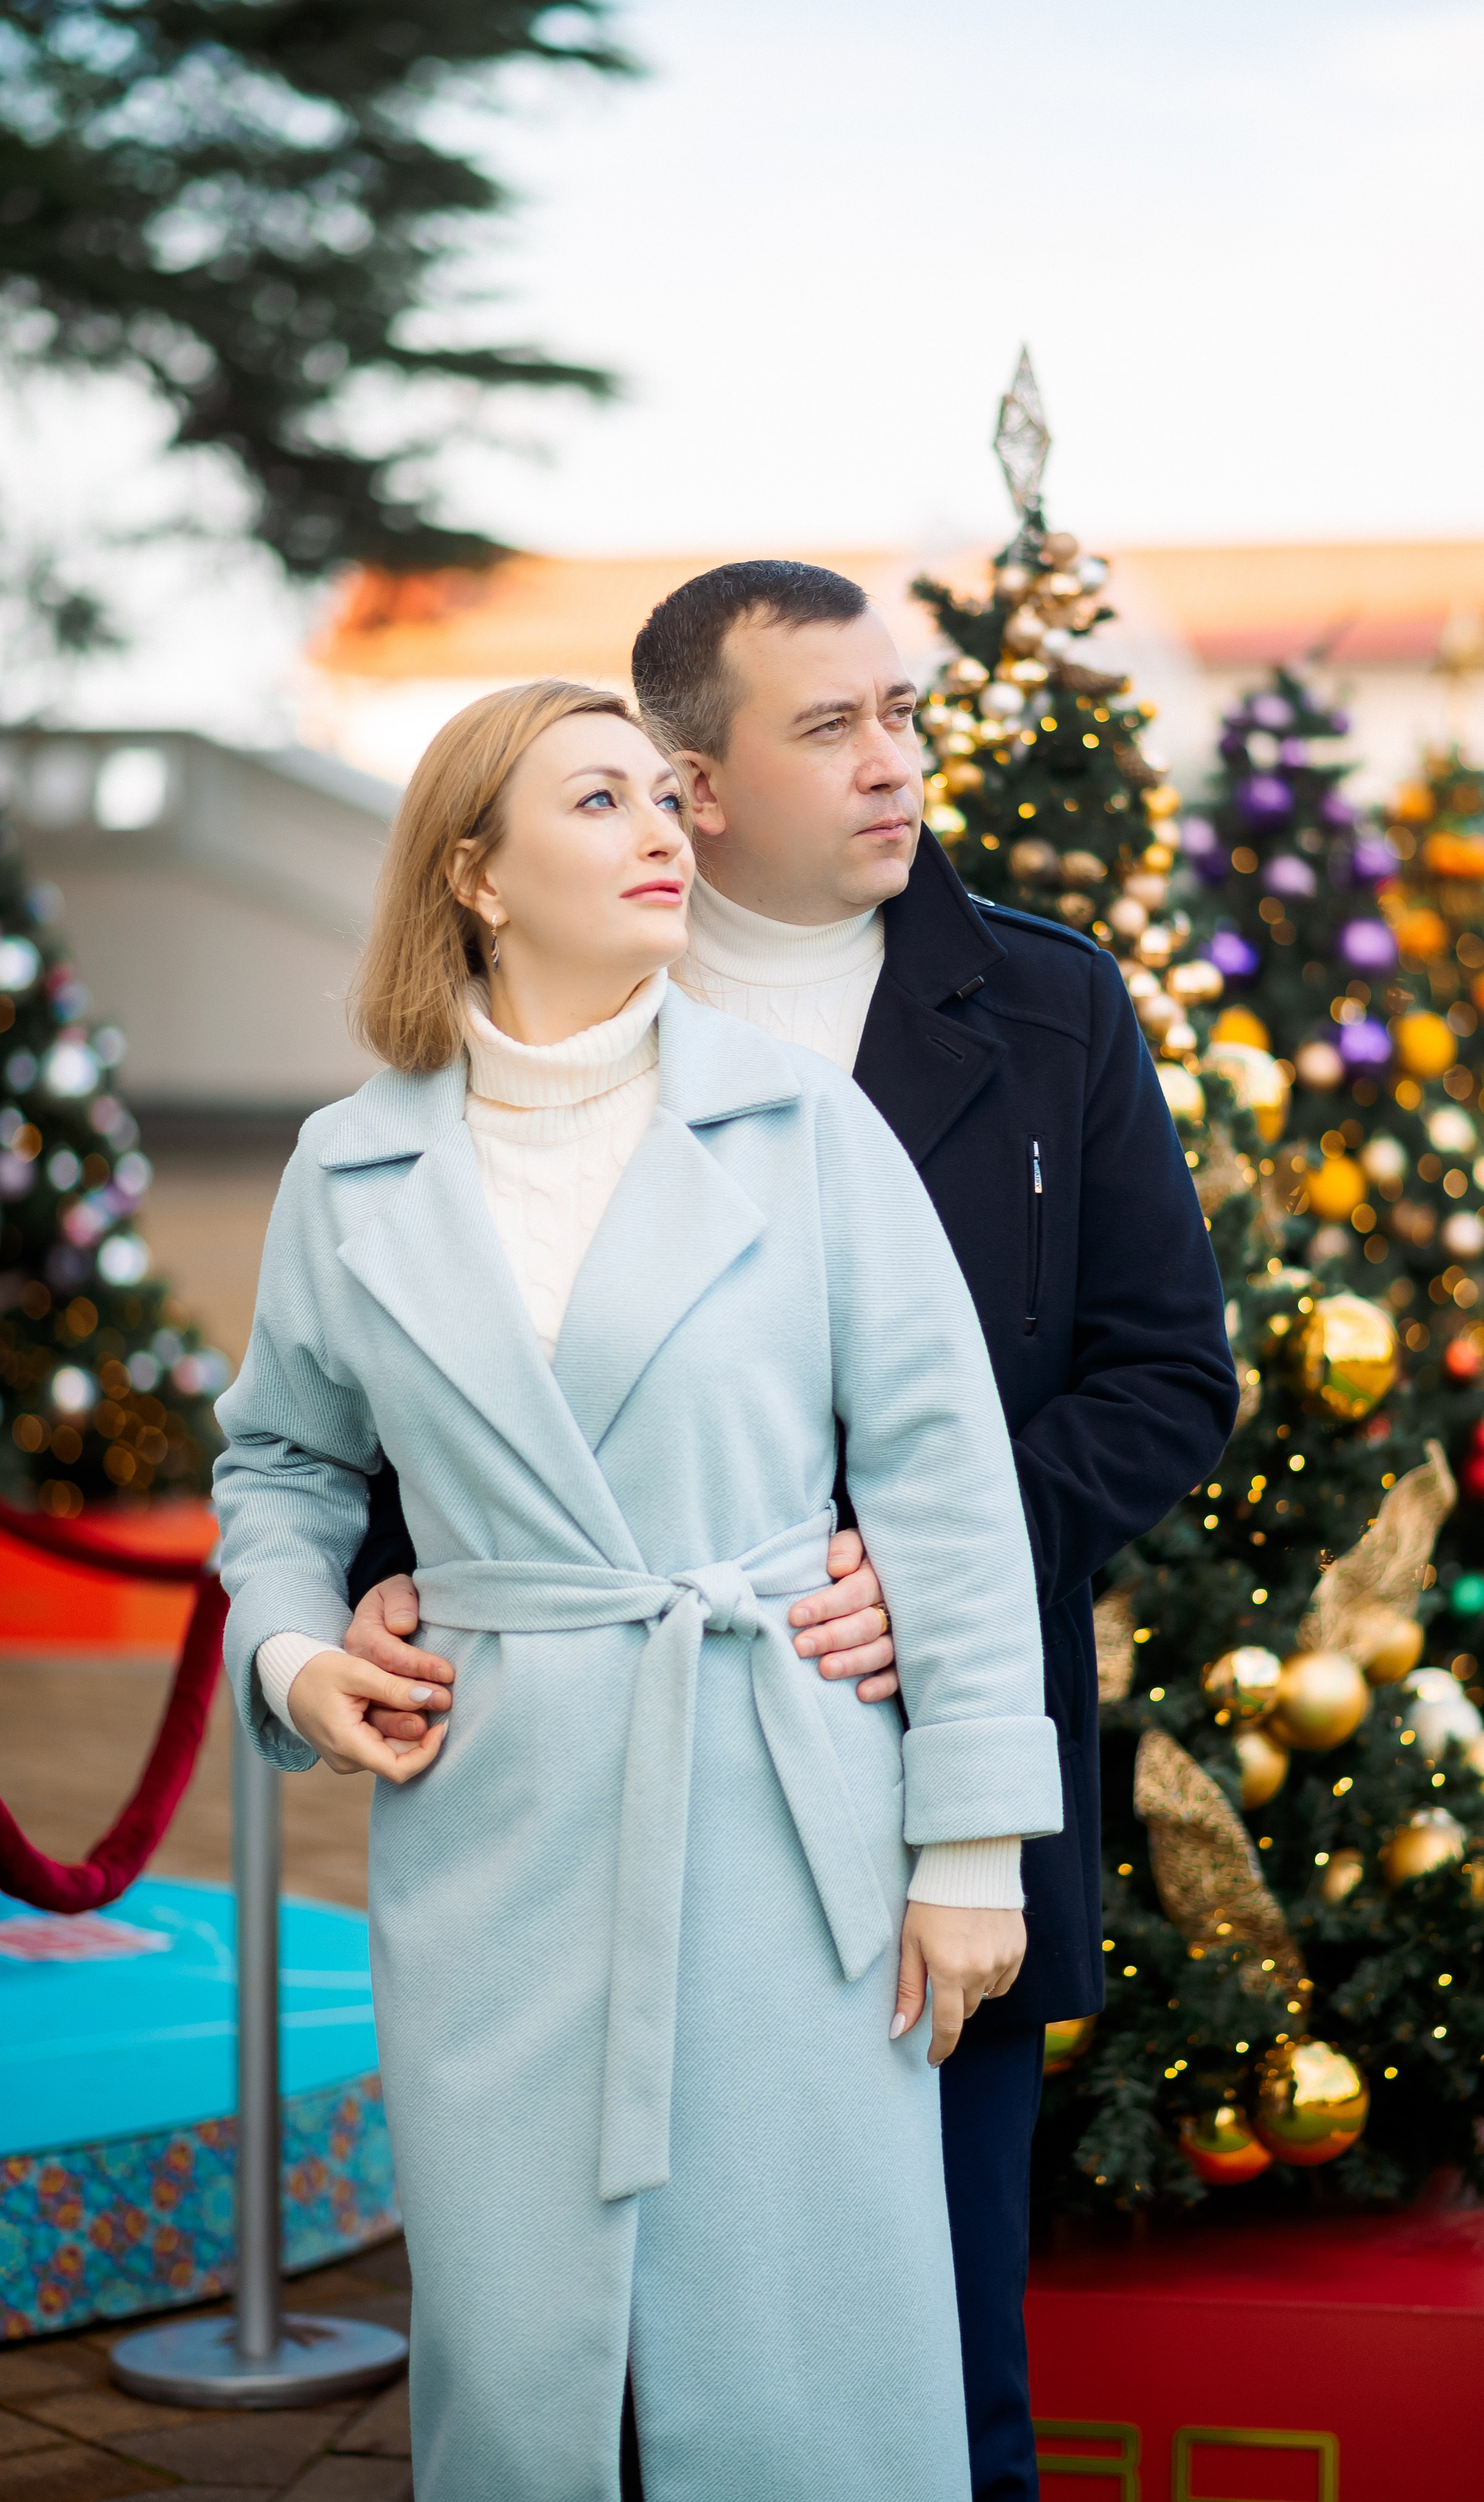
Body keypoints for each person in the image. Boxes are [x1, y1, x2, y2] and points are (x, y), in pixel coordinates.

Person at [349, 566, 1239, 2501]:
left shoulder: (1051, 1003)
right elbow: (432, 1375)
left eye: (899, 714)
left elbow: (1171, 1373)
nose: (894, 762)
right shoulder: (557, 1018)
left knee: (931, 2350)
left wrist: (920, 1568)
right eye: (830, 727)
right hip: (583, 1782)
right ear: (694, 780)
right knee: (590, 2362)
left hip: (932, 1760)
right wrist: (376, 1590)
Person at [212, 680, 1064, 2502]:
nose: (663, 831)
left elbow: (944, 1481)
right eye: (598, 802)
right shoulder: (348, 1169)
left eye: (663, 799)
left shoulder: (806, 1125)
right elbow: (281, 1462)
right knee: (520, 2365)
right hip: (496, 1830)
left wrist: (974, 1843)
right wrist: (290, 1650)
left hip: (784, 1815)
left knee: (809, 2363)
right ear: (477, 876)